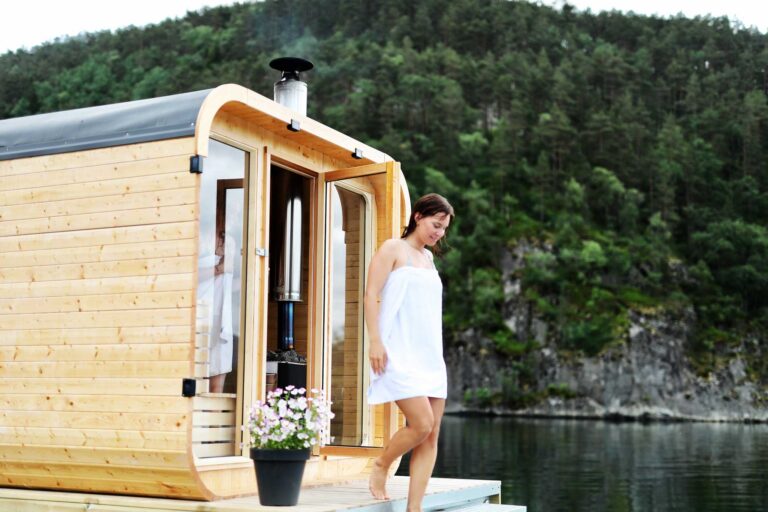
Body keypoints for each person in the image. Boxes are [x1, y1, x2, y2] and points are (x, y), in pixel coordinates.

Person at [364, 193, 455, 511]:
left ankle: (413, 508)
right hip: (397, 351)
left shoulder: (428, 259)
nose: (439, 233)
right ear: (418, 216)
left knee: (431, 435)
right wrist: (375, 341)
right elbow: (371, 294)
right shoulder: (393, 248)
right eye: (436, 224)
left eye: (444, 228)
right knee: (422, 424)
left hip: (429, 355)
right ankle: (382, 463)